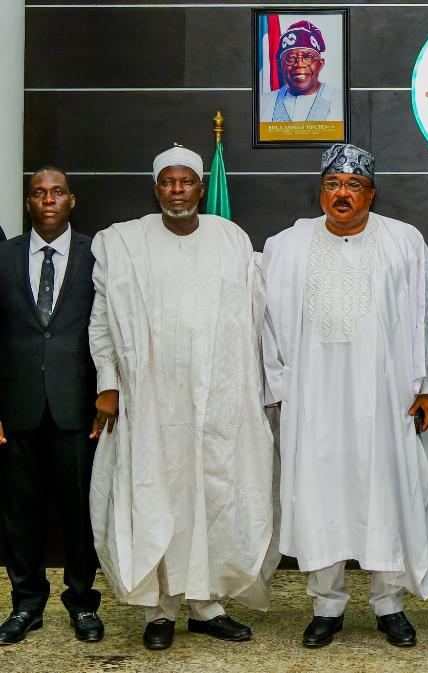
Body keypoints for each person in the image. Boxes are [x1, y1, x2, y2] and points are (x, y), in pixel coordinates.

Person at [88, 146, 277, 650]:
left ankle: (206, 605)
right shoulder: (122, 242)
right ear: (157, 189)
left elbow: (255, 319)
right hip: (151, 401)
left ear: (199, 187)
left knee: (211, 495)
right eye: (168, 182)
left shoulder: (230, 238)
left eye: (187, 181)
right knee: (157, 493)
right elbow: (102, 320)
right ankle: (160, 611)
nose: (177, 190)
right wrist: (108, 383)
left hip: (216, 400)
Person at [261, 144, 428, 648]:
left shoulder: (405, 243)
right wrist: (278, 386)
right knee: (320, 496)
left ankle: (390, 604)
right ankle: (327, 605)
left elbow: (427, 318)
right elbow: (265, 324)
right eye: (333, 185)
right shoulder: (287, 246)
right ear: (321, 192)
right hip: (313, 400)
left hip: (386, 399)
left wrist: (427, 387)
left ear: (371, 193)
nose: (343, 194)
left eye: (353, 186)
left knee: (388, 492)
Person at [0, 168, 103, 645]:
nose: (48, 199)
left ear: (72, 200)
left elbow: (108, 329)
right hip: (18, 406)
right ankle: (26, 604)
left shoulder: (95, 255)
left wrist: (107, 397)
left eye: (57, 192)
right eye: (39, 193)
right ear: (28, 203)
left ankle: (82, 603)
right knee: (22, 511)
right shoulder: (4, 255)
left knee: (79, 510)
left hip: (77, 407)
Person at [259, 20, 345, 123]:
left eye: (308, 57)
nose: (299, 64)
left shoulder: (341, 101)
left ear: (320, 64)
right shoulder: (262, 103)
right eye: (290, 58)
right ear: (279, 66)